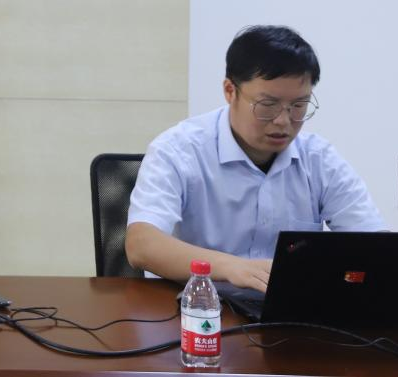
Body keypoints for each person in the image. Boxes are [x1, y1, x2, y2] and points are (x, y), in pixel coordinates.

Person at [126, 25, 383, 292]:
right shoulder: (179, 150)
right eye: (267, 105)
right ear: (230, 91)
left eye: (298, 106)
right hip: (194, 307)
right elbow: (142, 244)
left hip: (287, 308)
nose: (283, 121)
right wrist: (232, 267)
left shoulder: (319, 158)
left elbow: (378, 247)